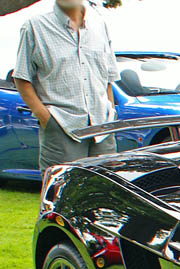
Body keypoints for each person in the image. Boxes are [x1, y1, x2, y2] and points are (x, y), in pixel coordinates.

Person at [13, 0, 120, 178]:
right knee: (62, 191)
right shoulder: (35, 26)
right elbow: (22, 77)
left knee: (105, 190)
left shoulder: (99, 25)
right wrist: (47, 119)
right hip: (62, 126)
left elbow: (108, 76)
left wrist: (110, 109)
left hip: (103, 128)